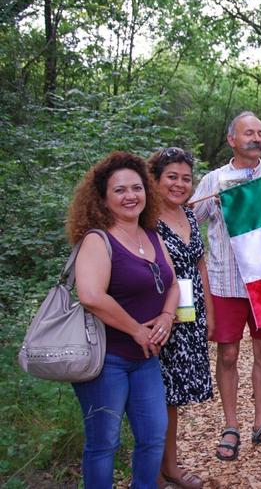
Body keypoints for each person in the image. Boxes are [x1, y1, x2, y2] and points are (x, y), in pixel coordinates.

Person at [67, 151, 179, 488]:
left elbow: (172, 282)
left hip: (146, 358)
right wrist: (136, 330)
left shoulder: (152, 235)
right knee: (104, 444)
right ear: (102, 197)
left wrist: (166, 315)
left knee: (152, 438)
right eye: (119, 190)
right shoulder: (97, 239)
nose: (130, 196)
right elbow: (90, 296)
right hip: (105, 359)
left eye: (136, 188)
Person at [191, 111, 261, 459]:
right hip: (225, 280)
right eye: (249, 132)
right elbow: (190, 222)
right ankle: (230, 424)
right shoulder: (214, 180)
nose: (257, 138)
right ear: (232, 139)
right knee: (229, 353)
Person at [148, 147, 214, 488]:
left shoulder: (188, 215)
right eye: (171, 177)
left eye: (186, 178)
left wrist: (210, 313)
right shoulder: (145, 219)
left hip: (191, 312)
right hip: (159, 314)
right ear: (154, 179)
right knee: (155, 394)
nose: (179, 184)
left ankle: (168, 466)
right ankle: (153, 471)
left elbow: (199, 263)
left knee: (173, 396)